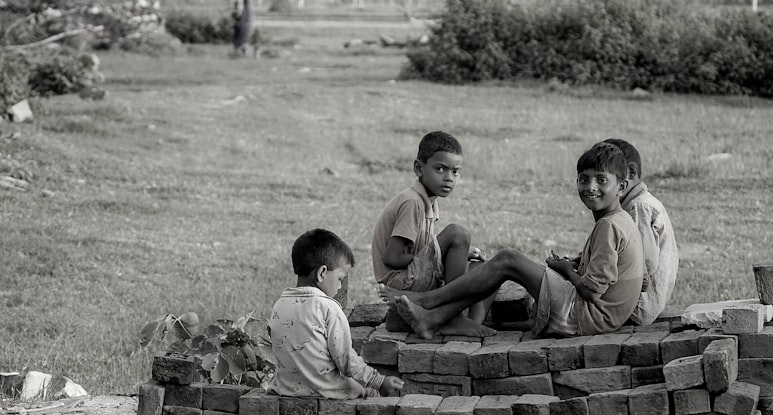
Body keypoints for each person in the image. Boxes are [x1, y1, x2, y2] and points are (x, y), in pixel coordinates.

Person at [381, 143, 645, 339]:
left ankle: (426, 301)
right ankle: (434, 317)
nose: (591, 187)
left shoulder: (609, 225)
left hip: (587, 316)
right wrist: (575, 264)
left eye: (602, 181)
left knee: (508, 259)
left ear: (621, 187)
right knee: (495, 265)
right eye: (584, 179)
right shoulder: (618, 219)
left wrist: (565, 270)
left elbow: (590, 291)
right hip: (600, 314)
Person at [371, 131, 495, 338]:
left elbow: (424, 247)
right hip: (399, 280)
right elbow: (392, 258)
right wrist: (440, 254)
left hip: (413, 273)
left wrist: (444, 254)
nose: (449, 178)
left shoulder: (428, 200)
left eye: (455, 172)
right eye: (440, 169)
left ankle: (470, 321)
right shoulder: (412, 202)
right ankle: (454, 318)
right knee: (458, 234)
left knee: (483, 269)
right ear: (419, 168)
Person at [269, 228, 404, 399]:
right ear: (322, 273)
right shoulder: (328, 308)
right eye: (340, 278)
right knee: (367, 393)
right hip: (327, 391)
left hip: (286, 390)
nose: (340, 286)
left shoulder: (279, 305)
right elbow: (346, 360)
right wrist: (378, 381)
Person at [599, 138, 678, 326]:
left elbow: (645, 264)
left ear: (631, 172)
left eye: (604, 179)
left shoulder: (639, 207)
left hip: (638, 306)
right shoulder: (634, 204)